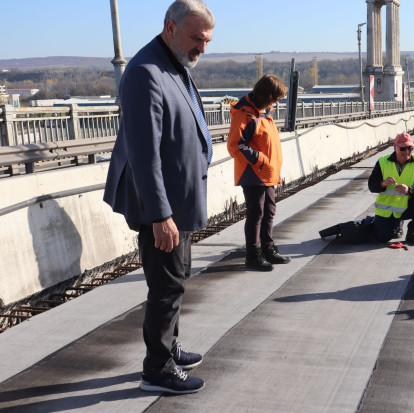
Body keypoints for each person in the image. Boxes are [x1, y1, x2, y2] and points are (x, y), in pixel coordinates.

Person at [103, 0, 215, 394]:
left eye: (207, 41)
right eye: (197, 38)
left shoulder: (173, 63)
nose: (202, 47)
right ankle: (158, 369)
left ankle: (170, 345)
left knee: (176, 279)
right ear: (171, 27)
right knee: (166, 285)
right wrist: (160, 215)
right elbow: (144, 151)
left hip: (176, 204)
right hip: (161, 207)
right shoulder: (146, 72)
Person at [227, 75, 291, 271]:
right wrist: (260, 160)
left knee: (269, 212)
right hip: (253, 173)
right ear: (266, 95)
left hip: (267, 172)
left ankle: (267, 249)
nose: (277, 102)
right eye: (275, 98)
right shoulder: (245, 114)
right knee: (256, 214)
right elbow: (235, 146)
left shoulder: (264, 112)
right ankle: (253, 255)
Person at [368, 132, 414, 245]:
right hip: (389, 210)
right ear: (395, 147)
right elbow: (371, 185)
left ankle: (413, 232)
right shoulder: (382, 162)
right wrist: (382, 184)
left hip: (408, 207)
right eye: (403, 148)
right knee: (382, 237)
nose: (407, 151)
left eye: (410, 148)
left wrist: (410, 189)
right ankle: (396, 225)